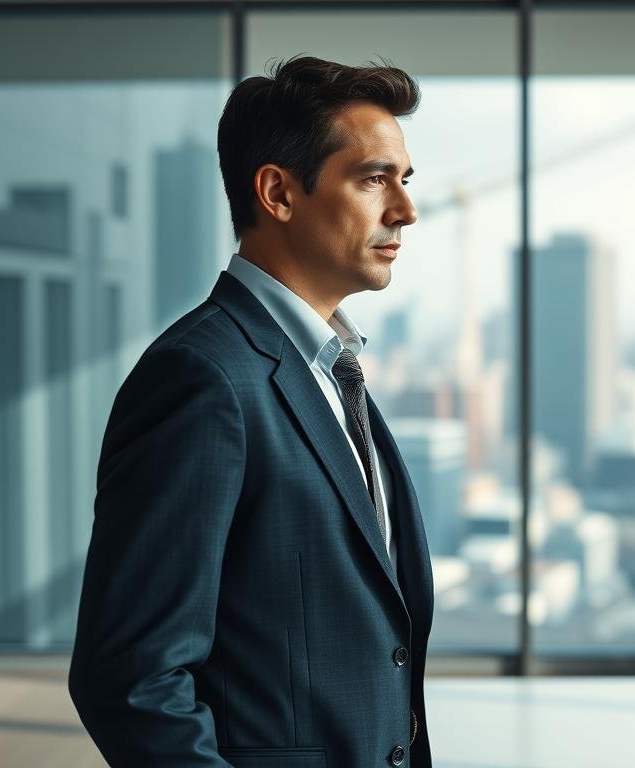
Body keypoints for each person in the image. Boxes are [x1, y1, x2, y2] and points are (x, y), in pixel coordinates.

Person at [68, 54, 432, 768]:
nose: (405, 210)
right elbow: (132, 677)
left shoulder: (330, 369)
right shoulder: (202, 378)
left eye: (404, 181)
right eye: (372, 179)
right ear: (278, 193)